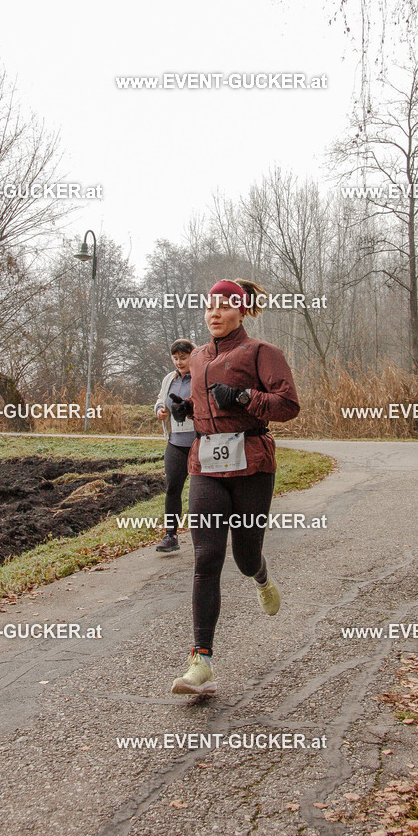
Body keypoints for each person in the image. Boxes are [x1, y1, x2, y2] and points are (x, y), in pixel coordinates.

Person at [169, 279, 300, 695]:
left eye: (226, 307)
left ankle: (259, 575)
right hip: (205, 465)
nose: (215, 314)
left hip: (252, 465)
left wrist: (245, 397)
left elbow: (288, 406)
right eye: (210, 307)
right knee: (206, 558)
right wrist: (187, 408)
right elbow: (208, 405)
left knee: (243, 557)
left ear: (242, 312)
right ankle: (200, 661)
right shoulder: (200, 357)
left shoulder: (263, 353)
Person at [153, 338, 196, 552]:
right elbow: (161, 399)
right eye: (176, 358)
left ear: (193, 356)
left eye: (183, 358)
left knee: (200, 493)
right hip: (175, 442)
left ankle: (206, 533)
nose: (179, 362)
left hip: (199, 442)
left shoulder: (200, 376)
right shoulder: (169, 378)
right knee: (172, 489)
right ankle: (171, 535)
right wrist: (160, 409)